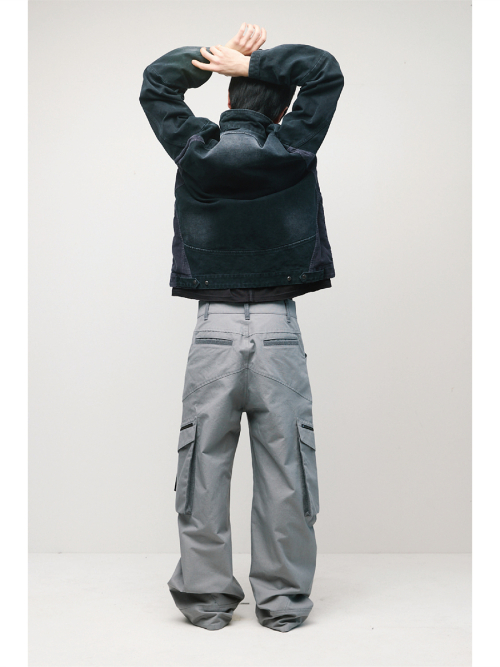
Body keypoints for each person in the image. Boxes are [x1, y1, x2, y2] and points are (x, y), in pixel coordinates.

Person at [139, 22, 344, 632]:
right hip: (279, 330)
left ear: (227, 98)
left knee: (203, 467)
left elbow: (156, 85)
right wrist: (255, 65)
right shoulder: (294, 146)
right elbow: (325, 72)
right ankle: (282, 604)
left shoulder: (195, 150)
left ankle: (206, 602)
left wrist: (215, 59)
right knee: (286, 471)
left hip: (213, 329)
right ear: (282, 110)